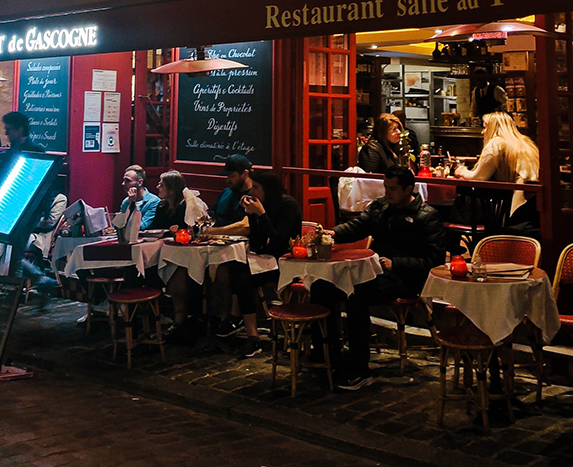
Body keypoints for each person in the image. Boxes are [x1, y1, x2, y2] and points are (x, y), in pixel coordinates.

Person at [327, 165, 445, 389]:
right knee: (325, 286)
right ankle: (329, 355)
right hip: (378, 272)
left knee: (356, 295)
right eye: (385, 187)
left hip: (407, 279)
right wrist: (334, 233)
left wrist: (397, 264)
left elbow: (435, 261)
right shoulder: (381, 206)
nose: (387, 192)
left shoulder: (427, 216)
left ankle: (359, 369)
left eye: (392, 189)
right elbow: (359, 225)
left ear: (408, 189)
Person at [213, 169, 301, 357]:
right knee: (235, 267)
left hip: (286, 261)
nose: (252, 193)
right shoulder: (261, 205)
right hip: (265, 259)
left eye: (257, 188)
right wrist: (252, 215)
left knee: (244, 277)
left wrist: (261, 214)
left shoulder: (288, 205)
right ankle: (250, 333)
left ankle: (242, 325)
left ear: (268, 189)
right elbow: (258, 242)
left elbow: (279, 241)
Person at [454, 112, 539, 227]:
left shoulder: (496, 143)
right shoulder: (525, 142)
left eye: (485, 127)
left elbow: (479, 177)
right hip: (535, 201)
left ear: (494, 127)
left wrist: (461, 171)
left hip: (518, 204)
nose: (482, 132)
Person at [210, 155, 254, 230]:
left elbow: (245, 227)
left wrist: (211, 232)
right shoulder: (225, 193)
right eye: (227, 176)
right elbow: (210, 216)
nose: (228, 181)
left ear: (245, 174)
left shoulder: (254, 196)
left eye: (232, 176)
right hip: (216, 239)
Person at [117, 164, 160, 230]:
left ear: (140, 182)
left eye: (127, 180)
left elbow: (141, 226)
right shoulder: (126, 201)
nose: (123, 184)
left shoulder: (153, 201)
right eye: (124, 180)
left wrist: (132, 205)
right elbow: (118, 225)